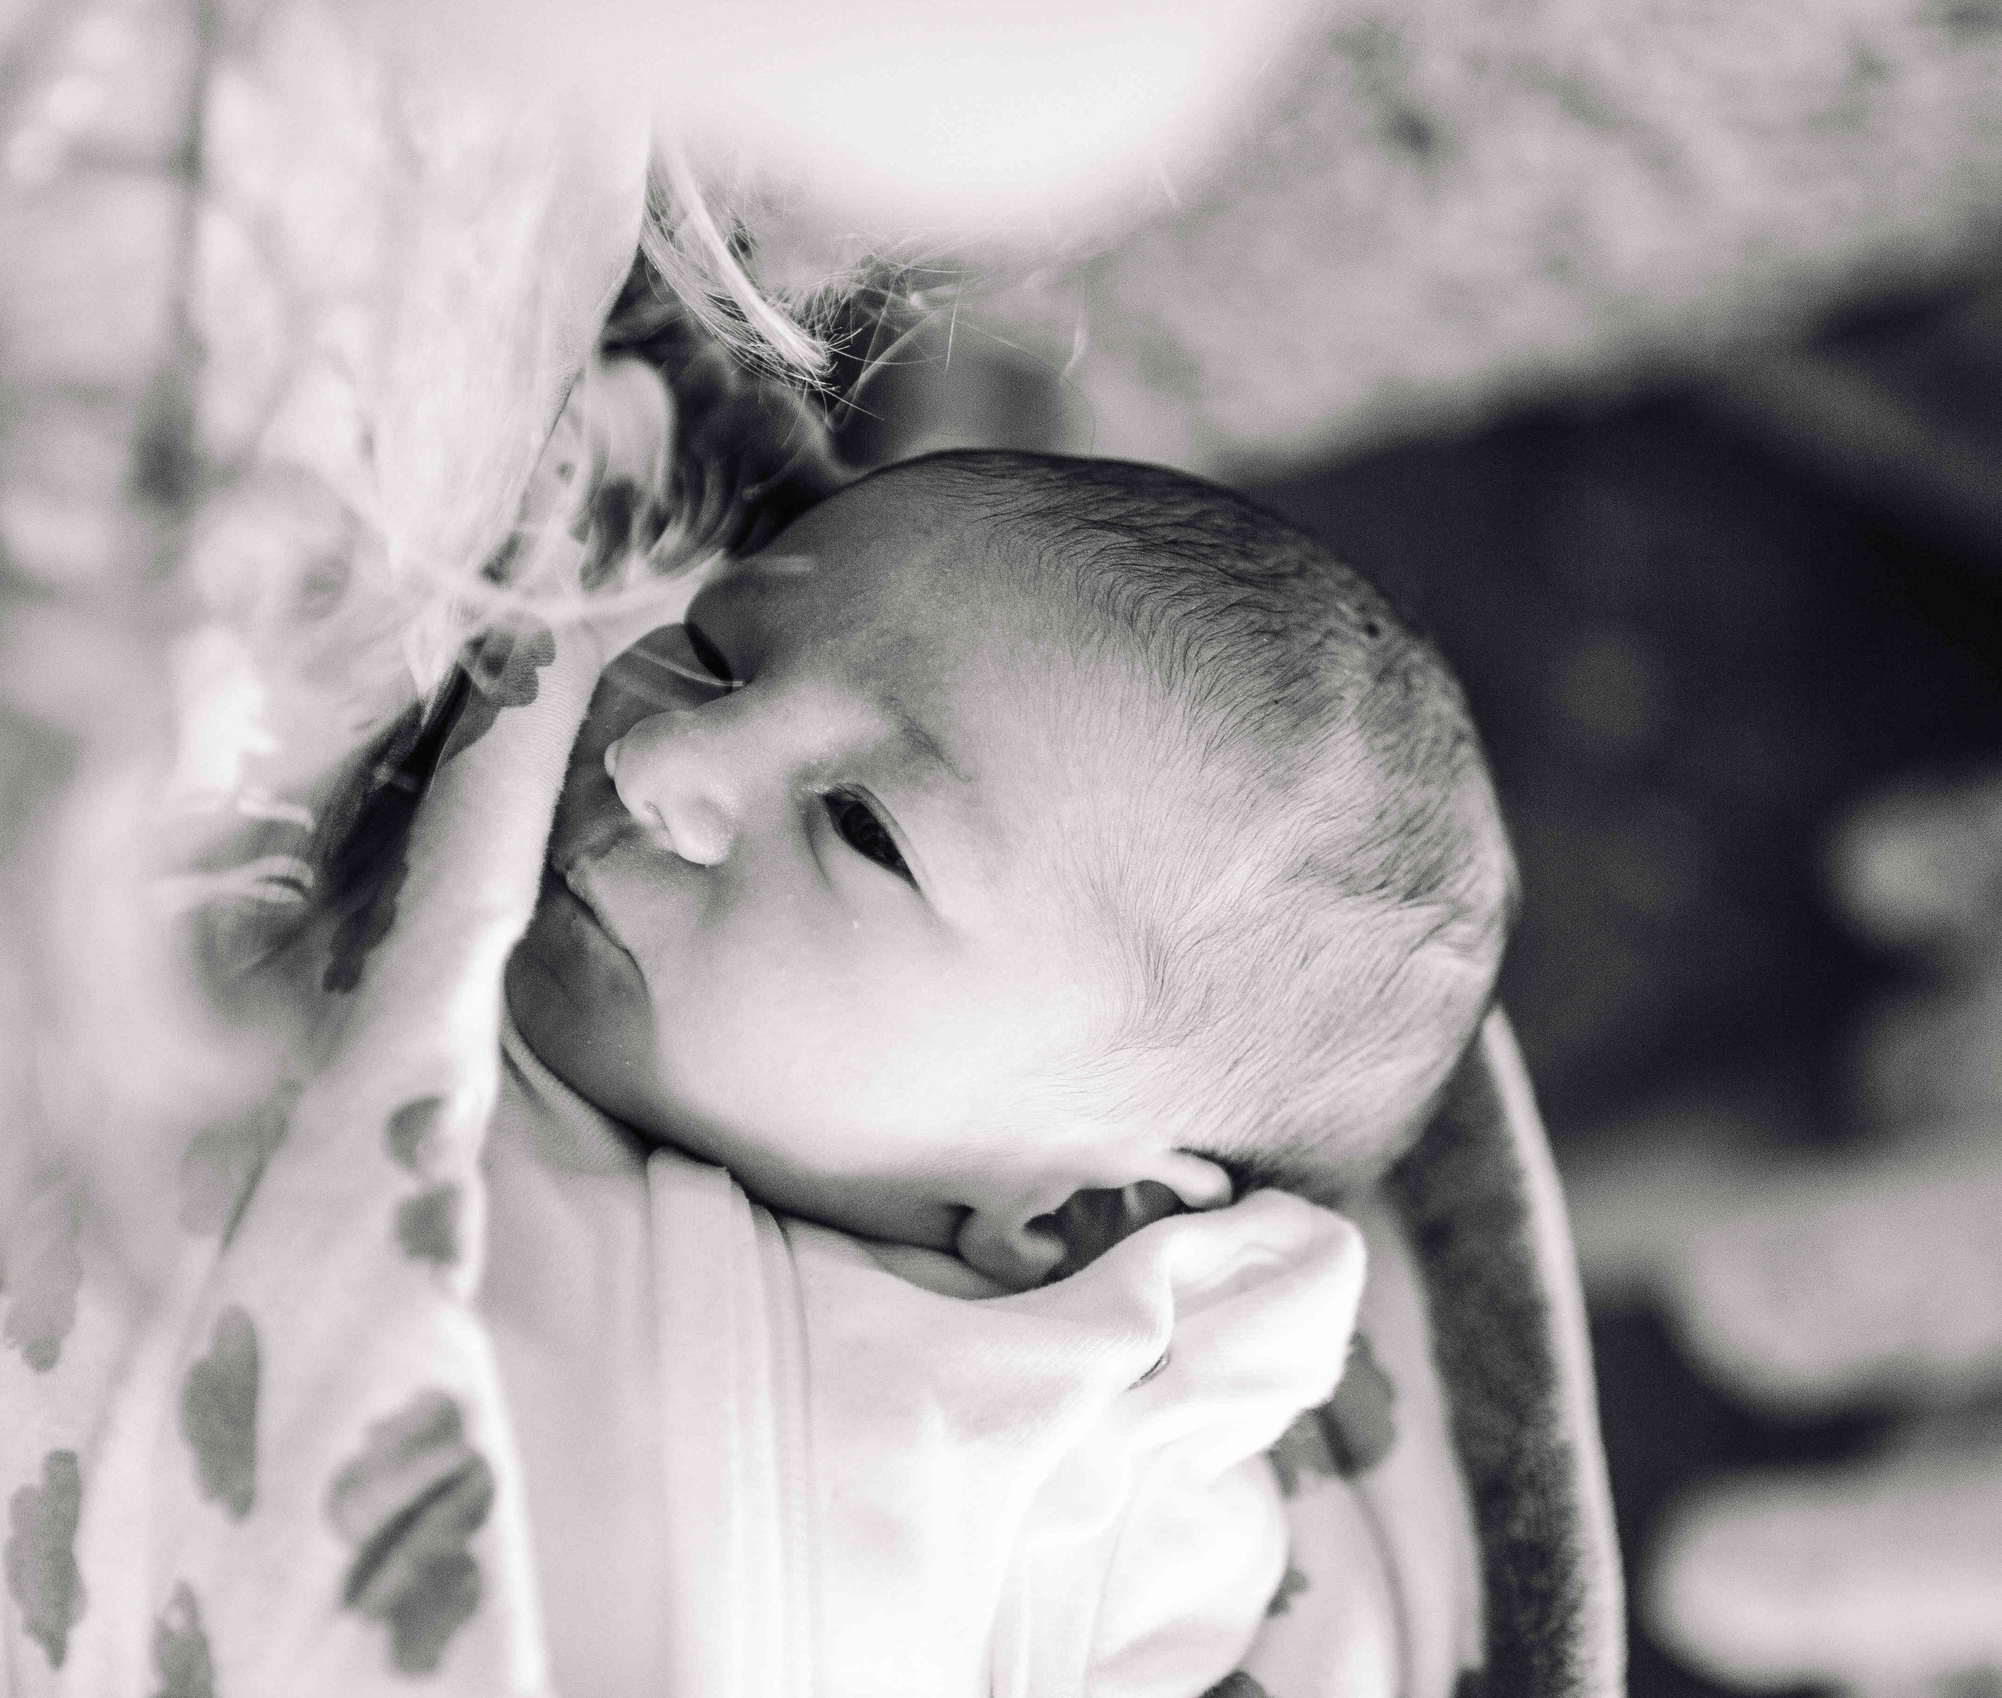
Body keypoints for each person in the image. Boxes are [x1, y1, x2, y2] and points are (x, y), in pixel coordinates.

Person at [483, 448, 1517, 1697]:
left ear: (1080, 1210)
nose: (660, 760)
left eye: (865, 831)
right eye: (715, 653)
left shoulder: (1109, 1485)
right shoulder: (455, 939)